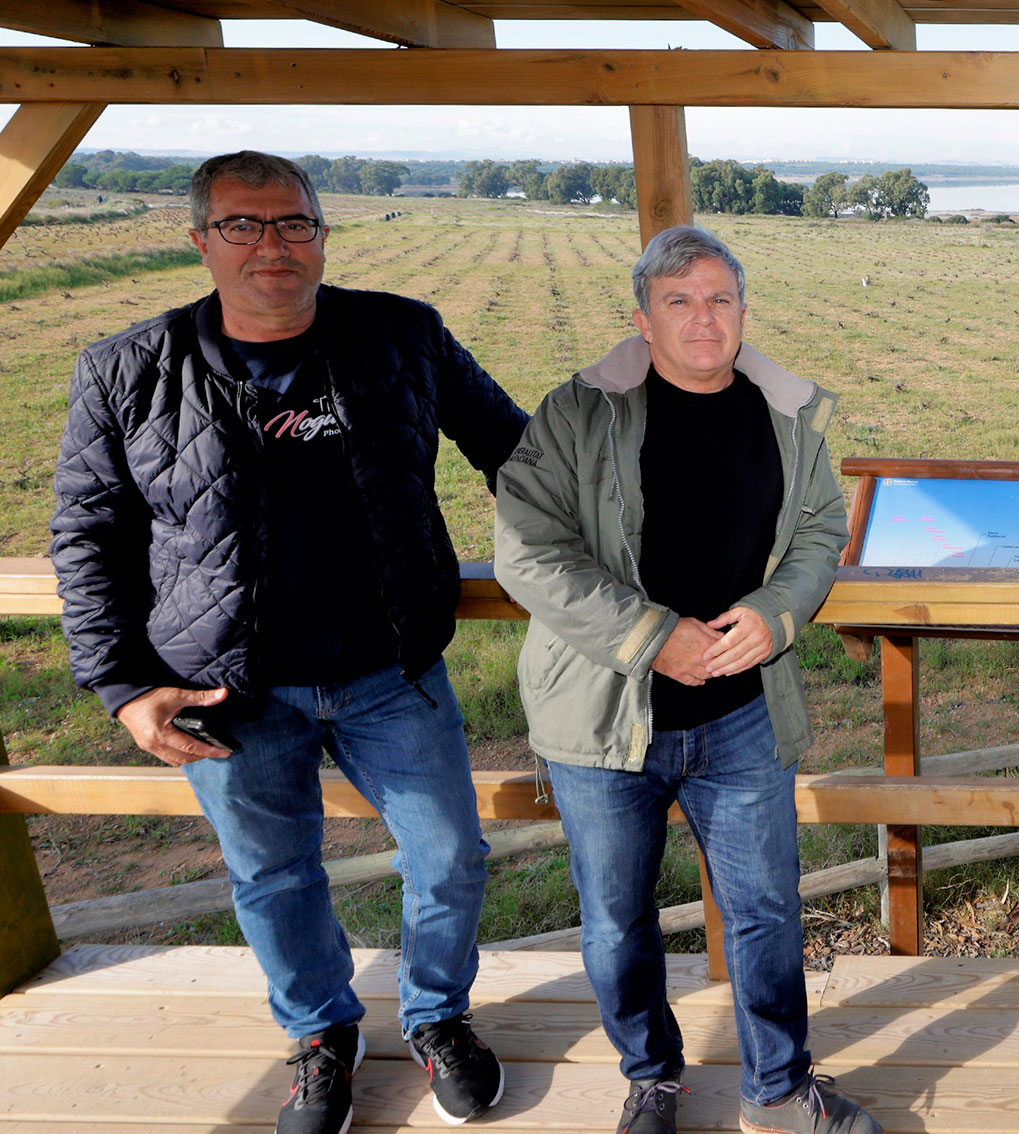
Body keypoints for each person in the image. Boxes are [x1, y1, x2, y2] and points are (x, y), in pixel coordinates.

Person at [50, 151, 527, 1134]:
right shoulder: (126, 369)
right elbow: (84, 537)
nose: (272, 244)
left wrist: (629, 527)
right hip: (224, 688)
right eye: (243, 225)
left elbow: (517, 449)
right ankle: (321, 1034)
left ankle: (438, 1017)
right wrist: (121, 685)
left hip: (390, 670)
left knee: (448, 855)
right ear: (201, 240)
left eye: (294, 223)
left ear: (322, 233)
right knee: (271, 874)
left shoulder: (403, 335)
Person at [494, 226, 871, 1134]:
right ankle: (652, 1078)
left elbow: (822, 530)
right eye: (680, 300)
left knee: (767, 912)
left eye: (719, 299)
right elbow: (525, 550)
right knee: (619, 921)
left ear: (743, 312)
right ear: (643, 317)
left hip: (742, 716)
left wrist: (778, 616)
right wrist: (651, 637)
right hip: (604, 718)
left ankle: (778, 1090)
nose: (703, 318)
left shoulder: (787, 414)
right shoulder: (579, 413)